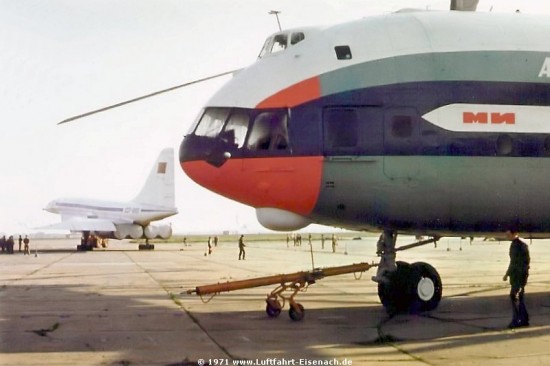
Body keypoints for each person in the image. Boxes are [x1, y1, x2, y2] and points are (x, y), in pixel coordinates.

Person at [502, 229, 530, 328]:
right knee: (519, 298)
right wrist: (507, 274)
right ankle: (524, 319)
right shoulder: (514, 245)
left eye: (508, 234)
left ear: (515, 234)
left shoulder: (521, 246)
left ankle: (517, 320)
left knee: (514, 297)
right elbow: (513, 262)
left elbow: (525, 263)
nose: (507, 236)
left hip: (519, 276)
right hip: (516, 276)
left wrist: (523, 278)